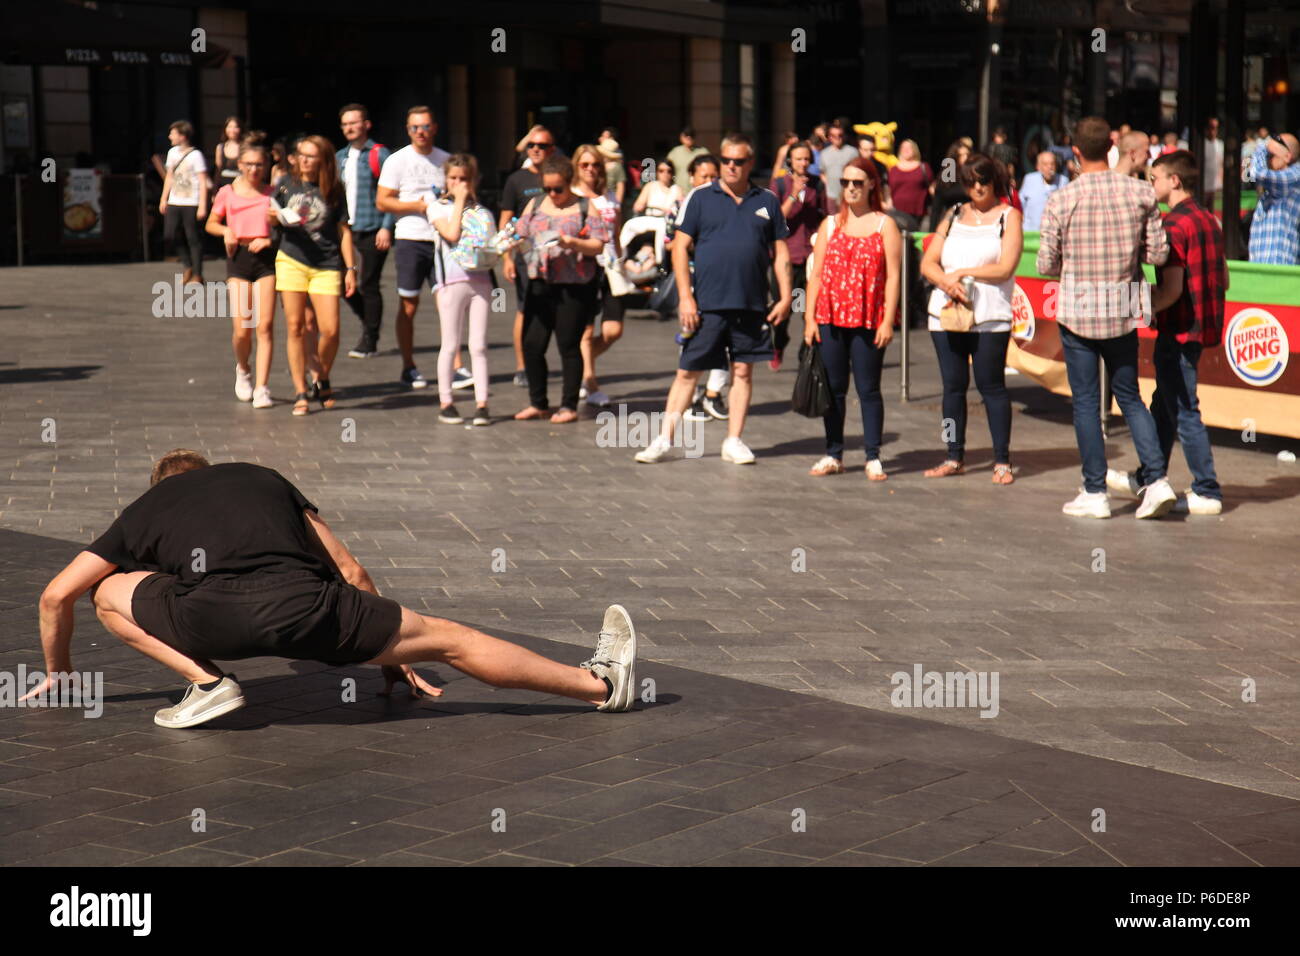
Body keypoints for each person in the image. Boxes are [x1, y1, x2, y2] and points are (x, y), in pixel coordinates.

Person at [28, 451, 638, 729]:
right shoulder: (263, 478)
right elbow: (349, 570)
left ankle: (209, 684)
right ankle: (598, 686)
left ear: (160, 485)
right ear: (213, 470)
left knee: (107, 590)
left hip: (207, 621)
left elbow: (56, 596)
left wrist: (62, 675)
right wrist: (391, 656)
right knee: (455, 641)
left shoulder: (146, 507)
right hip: (315, 612)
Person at [1036, 116, 1174, 519]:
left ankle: (1095, 491)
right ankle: (1157, 480)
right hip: (1122, 307)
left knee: (1085, 403)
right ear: (1111, 146)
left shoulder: (1062, 199)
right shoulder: (1140, 193)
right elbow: (1158, 255)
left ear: (1075, 152)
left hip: (1079, 309)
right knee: (1129, 397)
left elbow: (1046, 264)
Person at [635, 134, 792, 464]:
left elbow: (780, 253)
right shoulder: (701, 198)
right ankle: (664, 439)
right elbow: (679, 247)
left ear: (750, 163)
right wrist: (685, 298)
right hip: (707, 303)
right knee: (687, 371)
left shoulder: (766, 200)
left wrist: (785, 297)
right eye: (726, 160)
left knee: (744, 373)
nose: (731, 166)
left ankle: (733, 440)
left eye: (738, 161)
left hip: (750, 303)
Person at [1106, 150, 1224, 515]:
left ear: (1174, 181)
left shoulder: (1174, 225)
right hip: (1199, 327)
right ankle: (1148, 477)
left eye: (1154, 178)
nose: (1149, 184)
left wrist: (1136, 308)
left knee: (1184, 409)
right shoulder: (1209, 219)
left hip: (1179, 329)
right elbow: (1225, 278)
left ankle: (1207, 489)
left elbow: (1171, 290)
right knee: (1165, 404)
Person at [919, 153, 1023, 485]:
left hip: (990, 317)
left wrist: (964, 272)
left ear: (995, 181)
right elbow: (928, 262)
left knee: (991, 386)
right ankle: (953, 455)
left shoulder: (1009, 217)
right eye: (970, 181)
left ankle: (1002, 460)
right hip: (947, 314)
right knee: (952, 387)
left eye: (983, 180)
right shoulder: (952, 215)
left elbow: (1005, 267)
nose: (976, 187)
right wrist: (946, 280)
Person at [802, 158, 899, 479]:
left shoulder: (886, 225)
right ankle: (834, 454)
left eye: (858, 182)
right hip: (830, 316)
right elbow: (815, 275)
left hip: (870, 317)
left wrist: (888, 320)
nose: (851, 188)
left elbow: (894, 277)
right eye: (845, 183)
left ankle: (872, 456)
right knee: (834, 388)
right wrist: (810, 319)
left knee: (869, 388)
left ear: (872, 184)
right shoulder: (829, 224)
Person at [512, 155, 611, 423]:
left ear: (569, 184)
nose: (553, 194)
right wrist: (506, 252)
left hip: (574, 285)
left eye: (558, 189)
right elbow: (518, 234)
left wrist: (572, 243)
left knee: (568, 344)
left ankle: (568, 405)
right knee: (532, 344)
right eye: (547, 189)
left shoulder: (584, 207)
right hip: (539, 283)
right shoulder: (535, 204)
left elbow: (599, 244)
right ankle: (538, 402)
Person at [272, 134, 357, 417]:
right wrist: (275, 217)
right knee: (296, 327)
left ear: (323, 159)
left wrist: (350, 269)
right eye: (302, 154)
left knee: (330, 329)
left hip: (327, 262)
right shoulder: (285, 184)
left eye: (312, 156)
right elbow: (271, 213)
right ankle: (301, 390)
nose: (305, 160)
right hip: (291, 259)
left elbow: (344, 231)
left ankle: (320, 373)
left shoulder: (333, 187)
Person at [376, 105, 452, 391]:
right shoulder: (397, 160)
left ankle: (454, 366)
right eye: (414, 128)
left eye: (425, 126)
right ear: (408, 130)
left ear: (435, 127)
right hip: (410, 238)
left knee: (448, 304)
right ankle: (409, 366)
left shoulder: (447, 160)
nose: (420, 132)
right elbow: (382, 201)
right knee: (409, 304)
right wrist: (417, 205)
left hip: (443, 240)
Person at [423, 153, 495, 427]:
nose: (457, 183)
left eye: (463, 179)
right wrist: (461, 201)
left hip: (480, 281)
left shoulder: (481, 211)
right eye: (452, 178)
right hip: (450, 282)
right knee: (451, 344)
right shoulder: (437, 207)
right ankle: (446, 402)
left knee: (478, 345)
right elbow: (451, 234)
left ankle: (482, 404)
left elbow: (488, 243)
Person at [205, 141, 277, 410]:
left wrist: (269, 238)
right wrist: (226, 232)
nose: (254, 169)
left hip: (266, 260)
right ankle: (243, 368)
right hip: (239, 258)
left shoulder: (273, 193)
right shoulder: (228, 192)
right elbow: (211, 223)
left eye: (259, 164)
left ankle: (262, 387)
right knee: (242, 329)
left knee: (265, 326)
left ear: (266, 165)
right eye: (249, 164)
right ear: (240, 166)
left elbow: (284, 225)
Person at [669, 154, 731, 424]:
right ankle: (692, 395)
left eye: (712, 176)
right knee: (691, 339)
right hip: (694, 283)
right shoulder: (685, 204)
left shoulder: (728, 203)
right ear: (692, 177)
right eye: (703, 176)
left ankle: (713, 393)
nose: (708, 181)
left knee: (726, 343)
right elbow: (673, 245)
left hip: (724, 284)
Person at [337, 103, 396, 360]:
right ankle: (367, 319)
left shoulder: (379, 154)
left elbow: (393, 193)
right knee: (341, 282)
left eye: (354, 122)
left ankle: (370, 338)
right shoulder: (339, 157)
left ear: (366, 125)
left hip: (372, 228)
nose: (349, 127)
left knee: (369, 284)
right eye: (345, 124)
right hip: (344, 230)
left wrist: (386, 227)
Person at [501, 127, 557, 387]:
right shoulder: (516, 180)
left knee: (559, 309)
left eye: (542, 146)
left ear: (552, 150)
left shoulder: (560, 176)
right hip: (526, 254)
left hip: (558, 254)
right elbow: (506, 220)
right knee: (525, 309)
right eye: (532, 145)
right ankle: (523, 365)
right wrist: (507, 257)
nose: (536, 149)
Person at [572, 143, 624, 408]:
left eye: (595, 165)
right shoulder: (571, 196)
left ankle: (580, 362)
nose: (590, 169)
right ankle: (590, 382)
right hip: (585, 266)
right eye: (585, 165)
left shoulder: (609, 196)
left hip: (612, 266)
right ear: (576, 167)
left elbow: (616, 231)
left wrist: (624, 261)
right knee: (586, 328)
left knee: (614, 330)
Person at [769, 141, 828, 370]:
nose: (803, 163)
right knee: (782, 312)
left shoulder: (817, 186)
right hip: (786, 258)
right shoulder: (779, 185)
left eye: (806, 159)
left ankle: (806, 354)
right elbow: (776, 219)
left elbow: (825, 215)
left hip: (809, 258)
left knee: (807, 311)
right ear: (790, 161)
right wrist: (793, 195)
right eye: (799, 159)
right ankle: (779, 344)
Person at [159, 120, 208, 287]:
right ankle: (187, 265)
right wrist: (163, 198)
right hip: (174, 199)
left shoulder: (196, 155)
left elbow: (202, 181)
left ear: (182, 136)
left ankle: (197, 274)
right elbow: (169, 177)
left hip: (191, 201)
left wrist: (202, 205)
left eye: (173, 133)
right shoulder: (172, 153)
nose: (169, 136)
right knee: (170, 235)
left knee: (193, 237)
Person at [1246, 133, 1300, 266]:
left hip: (1280, 267)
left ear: (1287, 156)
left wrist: (1264, 145)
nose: (1267, 160)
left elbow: (1255, 173)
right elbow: (1250, 171)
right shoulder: (1273, 187)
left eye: (1271, 155)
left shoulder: (1295, 176)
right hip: (1261, 267)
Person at [887, 139, 933, 232]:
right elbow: (889, 189)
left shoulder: (923, 167)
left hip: (919, 213)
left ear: (915, 150)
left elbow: (931, 188)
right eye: (903, 148)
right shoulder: (893, 169)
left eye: (909, 148)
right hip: (896, 213)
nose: (906, 150)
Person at [929, 138, 973, 230]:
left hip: (972, 220)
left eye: (967, 154)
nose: (966, 157)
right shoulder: (948, 176)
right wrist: (932, 231)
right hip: (951, 222)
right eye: (961, 155)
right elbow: (937, 207)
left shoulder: (973, 174)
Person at [1019, 151, 1068, 231]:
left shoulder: (1063, 181)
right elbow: (1020, 205)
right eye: (1045, 164)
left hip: (1055, 233)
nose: (1050, 167)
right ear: (1038, 167)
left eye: (1052, 164)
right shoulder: (1030, 179)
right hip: (1031, 233)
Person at [819, 119, 860, 214]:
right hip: (831, 196)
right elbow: (822, 172)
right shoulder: (824, 153)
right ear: (829, 137)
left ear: (844, 136)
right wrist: (828, 183)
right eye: (833, 135)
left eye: (840, 135)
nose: (837, 138)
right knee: (832, 223)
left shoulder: (853, 152)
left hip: (848, 195)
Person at [667, 127, 709, 191]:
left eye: (691, 135)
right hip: (679, 194)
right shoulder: (675, 152)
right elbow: (666, 170)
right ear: (681, 137)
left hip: (699, 191)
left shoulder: (703, 152)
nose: (689, 137)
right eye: (686, 135)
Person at [213, 116, 243, 186]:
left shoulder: (244, 147)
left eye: (236, 127)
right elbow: (218, 170)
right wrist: (215, 189)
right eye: (229, 127)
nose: (232, 130)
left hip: (240, 184)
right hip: (224, 184)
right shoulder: (220, 147)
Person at [1202, 117, 1224, 208]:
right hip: (1203, 186)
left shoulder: (1220, 145)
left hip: (1217, 187)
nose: (1213, 131)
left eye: (1216, 128)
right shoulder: (1201, 144)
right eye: (1211, 128)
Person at [599, 139, 627, 206]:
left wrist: (617, 204)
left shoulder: (617, 167)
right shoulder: (599, 165)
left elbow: (620, 187)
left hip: (612, 200)